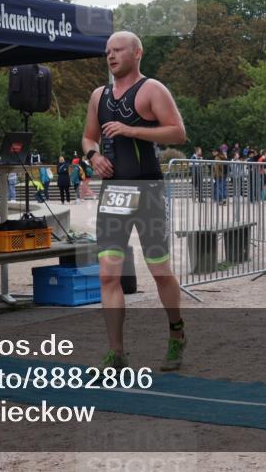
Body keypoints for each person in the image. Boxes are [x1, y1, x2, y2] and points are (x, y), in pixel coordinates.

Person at [82, 30, 187, 371]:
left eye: (118, 50)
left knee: (159, 271)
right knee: (108, 276)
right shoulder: (99, 95)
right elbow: (87, 137)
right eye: (107, 51)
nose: (111, 56)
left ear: (137, 53)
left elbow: (177, 132)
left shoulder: (152, 89)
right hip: (114, 194)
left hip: (148, 192)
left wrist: (131, 130)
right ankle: (116, 353)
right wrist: (94, 156)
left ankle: (176, 333)